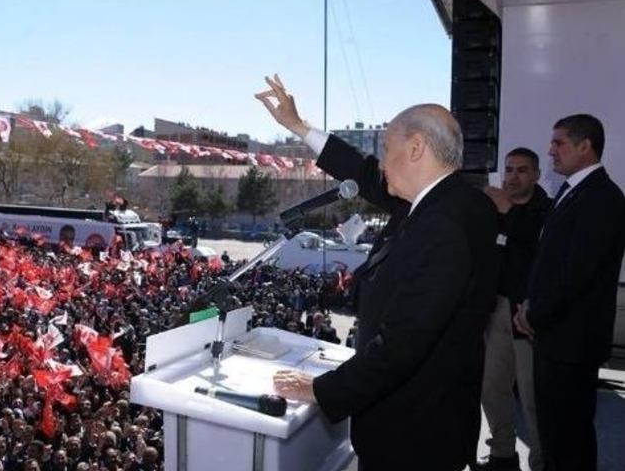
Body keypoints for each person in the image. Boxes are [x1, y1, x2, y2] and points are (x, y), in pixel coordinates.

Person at [258, 74, 498, 470]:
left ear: (417, 148)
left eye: (387, 149)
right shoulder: (449, 202)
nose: (382, 162)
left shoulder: (445, 225)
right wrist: (298, 127)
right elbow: (366, 174)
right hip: (432, 421)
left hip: (414, 435)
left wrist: (320, 389)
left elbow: (402, 346)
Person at [514, 114, 625, 470]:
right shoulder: (572, 190)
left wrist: (534, 314)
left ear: (585, 146)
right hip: (555, 336)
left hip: (572, 341)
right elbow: (551, 260)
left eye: (558, 143)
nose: (550, 150)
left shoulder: (602, 198)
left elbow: (577, 274)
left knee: (569, 437)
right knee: (555, 434)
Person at [475, 148, 551, 471]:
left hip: (527, 313)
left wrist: (507, 210)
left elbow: (541, 252)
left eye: (522, 170)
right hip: (495, 311)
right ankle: (503, 455)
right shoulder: (493, 211)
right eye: (508, 170)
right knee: (492, 389)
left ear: (535, 175)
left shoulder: (547, 211)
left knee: (533, 398)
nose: (512, 177)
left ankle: (542, 462)